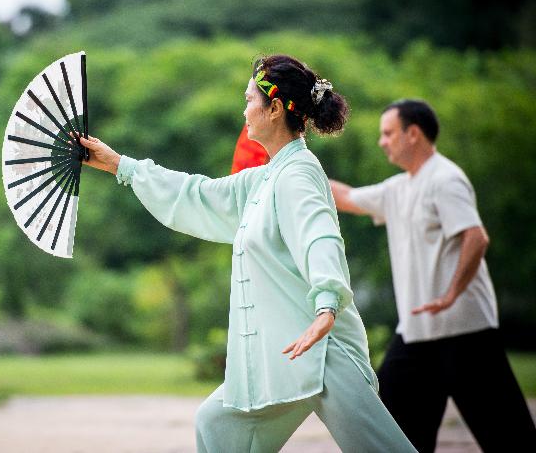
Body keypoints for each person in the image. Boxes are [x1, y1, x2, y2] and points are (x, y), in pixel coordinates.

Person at [78, 55, 415, 452]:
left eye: (249, 100)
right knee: (217, 424)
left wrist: (327, 305)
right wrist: (121, 165)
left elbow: (319, 237)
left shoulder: (299, 173)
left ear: (274, 109)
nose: (244, 110)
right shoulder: (265, 178)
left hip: (325, 350)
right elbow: (197, 195)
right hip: (288, 354)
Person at [330, 99, 536, 452]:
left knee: (509, 438)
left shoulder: (446, 179)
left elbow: (476, 236)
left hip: (464, 333)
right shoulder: (398, 188)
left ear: (413, 134)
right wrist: (293, 167)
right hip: (415, 335)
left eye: (388, 133)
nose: (382, 141)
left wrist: (452, 293)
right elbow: (346, 197)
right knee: (392, 432)